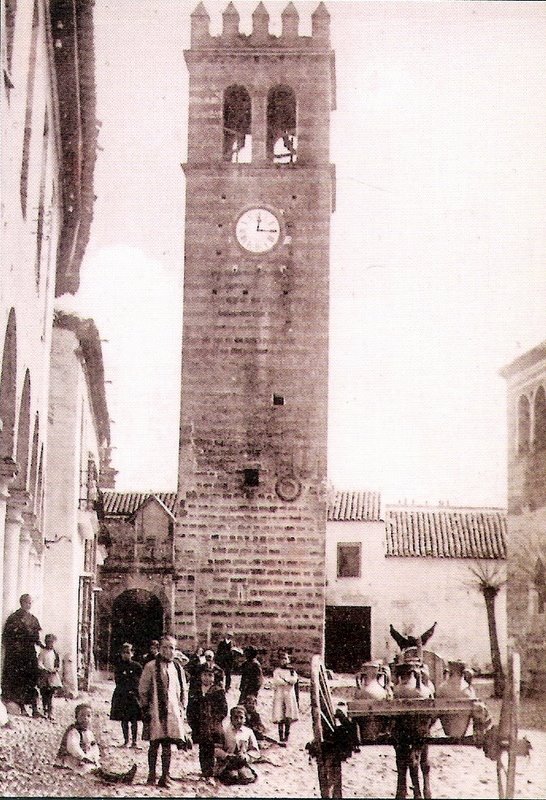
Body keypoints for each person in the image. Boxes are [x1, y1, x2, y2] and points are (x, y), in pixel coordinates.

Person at [138, 635, 192, 788]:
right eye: (165, 648)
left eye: (172, 648)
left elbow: (183, 689)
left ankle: (165, 776)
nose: (168, 651)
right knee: (154, 743)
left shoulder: (177, 667)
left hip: (173, 712)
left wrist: (183, 708)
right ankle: (151, 775)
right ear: (159, 649)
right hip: (155, 710)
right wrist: (146, 707)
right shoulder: (150, 667)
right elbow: (143, 689)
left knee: (167, 744)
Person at [56, 703, 137, 784]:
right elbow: (73, 747)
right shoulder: (74, 731)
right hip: (73, 761)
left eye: (88, 716)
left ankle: (122, 777)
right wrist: (83, 757)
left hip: (86, 760)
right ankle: (120, 779)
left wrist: (95, 758)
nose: (85, 718)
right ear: (76, 717)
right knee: (95, 773)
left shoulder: (89, 733)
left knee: (100, 770)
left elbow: (94, 748)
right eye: (82, 716)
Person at [1, 594, 44, 717]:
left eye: (30, 603)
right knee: (20, 681)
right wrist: (15, 648)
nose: (29, 605)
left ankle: (35, 709)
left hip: (29, 654)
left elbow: (37, 637)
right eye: (27, 603)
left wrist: (43, 646)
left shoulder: (33, 619)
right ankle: (22, 708)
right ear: (22, 603)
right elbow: (6, 637)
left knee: (32, 679)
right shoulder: (14, 618)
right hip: (17, 656)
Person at [192, 667, 228, 779]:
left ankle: (211, 771)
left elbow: (223, 709)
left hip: (213, 725)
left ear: (214, 677)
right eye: (205, 675)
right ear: (200, 676)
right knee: (202, 748)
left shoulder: (218, 691)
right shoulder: (196, 690)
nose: (207, 678)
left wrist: (215, 720)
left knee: (212, 747)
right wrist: (193, 722)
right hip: (200, 724)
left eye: (210, 675)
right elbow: (191, 707)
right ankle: (204, 770)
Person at [214, 705, 259, 785]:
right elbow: (216, 750)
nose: (238, 720)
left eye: (241, 718)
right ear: (231, 719)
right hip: (227, 763)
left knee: (247, 777)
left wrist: (246, 756)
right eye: (235, 717)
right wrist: (226, 755)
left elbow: (255, 751)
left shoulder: (248, 732)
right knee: (231, 777)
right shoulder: (224, 731)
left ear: (245, 719)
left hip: (242, 763)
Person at [110, 642, 142, 748]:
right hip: (122, 695)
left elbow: (140, 681)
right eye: (124, 653)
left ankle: (134, 742)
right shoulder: (119, 666)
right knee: (124, 720)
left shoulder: (137, 666)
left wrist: (135, 690)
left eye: (128, 652)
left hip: (133, 696)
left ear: (132, 653)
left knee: (134, 720)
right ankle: (126, 741)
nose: (126, 655)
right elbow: (118, 680)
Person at [271, 651, 299, 742]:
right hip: (279, 694)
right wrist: (286, 682)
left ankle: (287, 735)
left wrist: (287, 680)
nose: (283, 661)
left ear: (288, 660)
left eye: (285, 659)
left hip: (289, 694)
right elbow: (277, 681)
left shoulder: (292, 670)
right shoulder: (277, 671)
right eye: (281, 659)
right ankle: (280, 735)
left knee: (288, 713)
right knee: (280, 714)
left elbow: (294, 679)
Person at [37, 634, 62, 720]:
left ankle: (51, 712)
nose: (50, 644)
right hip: (44, 676)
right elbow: (39, 663)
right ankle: (45, 710)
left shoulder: (55, 653)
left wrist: (56, 669)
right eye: (48, 642)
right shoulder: (43, 652)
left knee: (51, 695)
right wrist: (44, 669)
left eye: (52, 642)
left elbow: (58, 664)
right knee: (44, 694)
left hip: (52, 676)